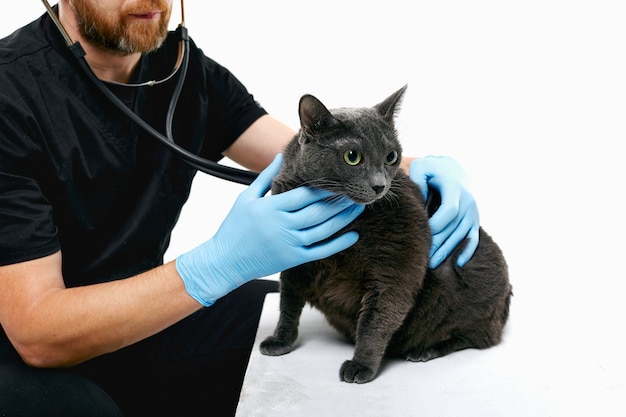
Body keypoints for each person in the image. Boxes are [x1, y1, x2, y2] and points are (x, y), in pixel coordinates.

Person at [0, 1, 480, 416]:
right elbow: (37, 334)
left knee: (312, 337)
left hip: (141, 318)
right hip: (26, 353)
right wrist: (213, 267)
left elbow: (292, 149)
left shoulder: (180, 67)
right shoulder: (11, 95)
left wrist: (420, 169)